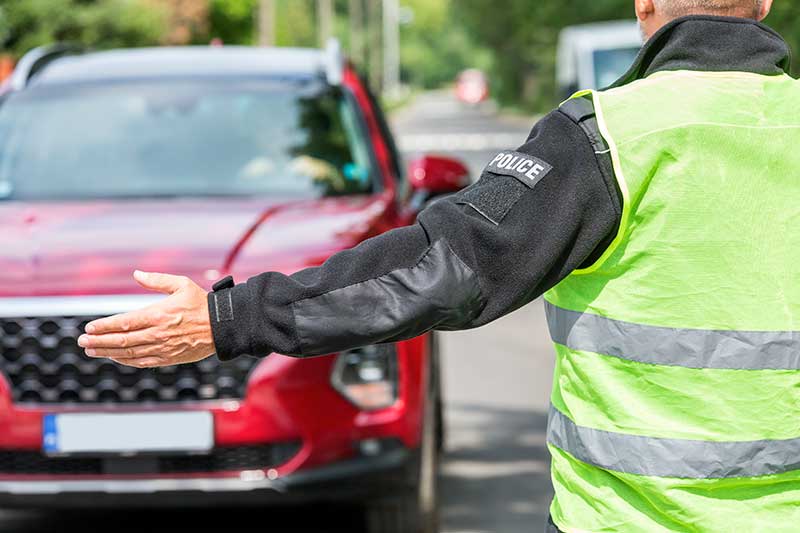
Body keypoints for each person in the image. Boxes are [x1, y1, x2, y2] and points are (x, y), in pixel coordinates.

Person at [77, 0, 800, 530]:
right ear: (763, 3)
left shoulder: (607, 137)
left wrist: (231, 315)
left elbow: (439, 267)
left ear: (645, 6)